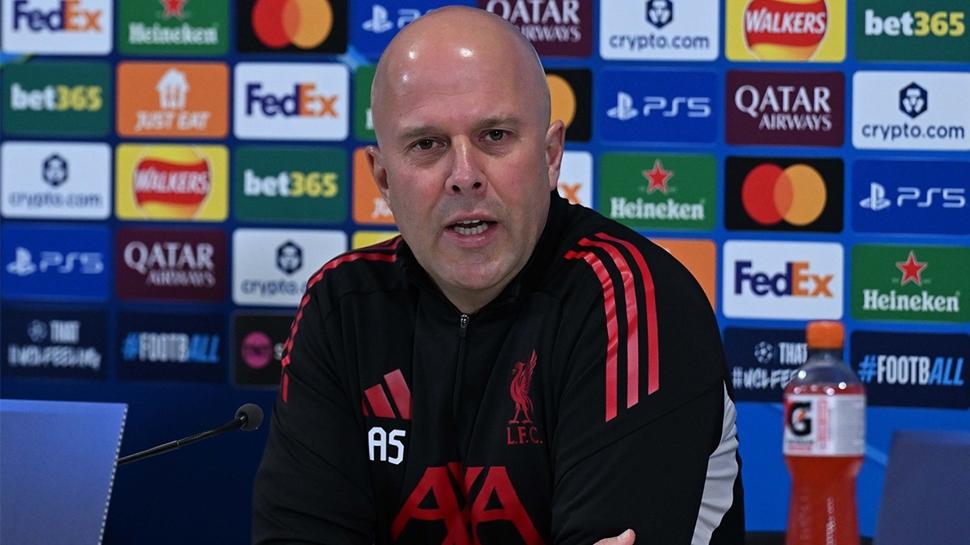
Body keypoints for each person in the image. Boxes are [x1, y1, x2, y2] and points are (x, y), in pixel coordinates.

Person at [252, 6, 743, 545]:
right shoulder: (343, 307)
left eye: (495, 135)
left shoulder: (630, 300)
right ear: (384, 178)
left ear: (551, 156)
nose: (464, 176)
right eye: (427, 144)